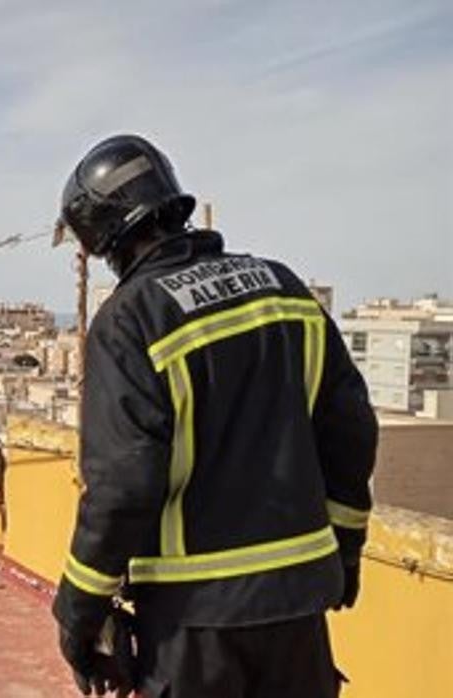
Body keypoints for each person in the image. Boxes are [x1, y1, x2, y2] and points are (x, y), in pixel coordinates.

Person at [50, 134, 377, 697]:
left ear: (103, 238)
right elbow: (350, 432)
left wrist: (78, 613)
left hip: (195, 623)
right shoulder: (285, 290)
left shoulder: (132, 320)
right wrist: (345, 551)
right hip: (299, 605)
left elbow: (123, 486)